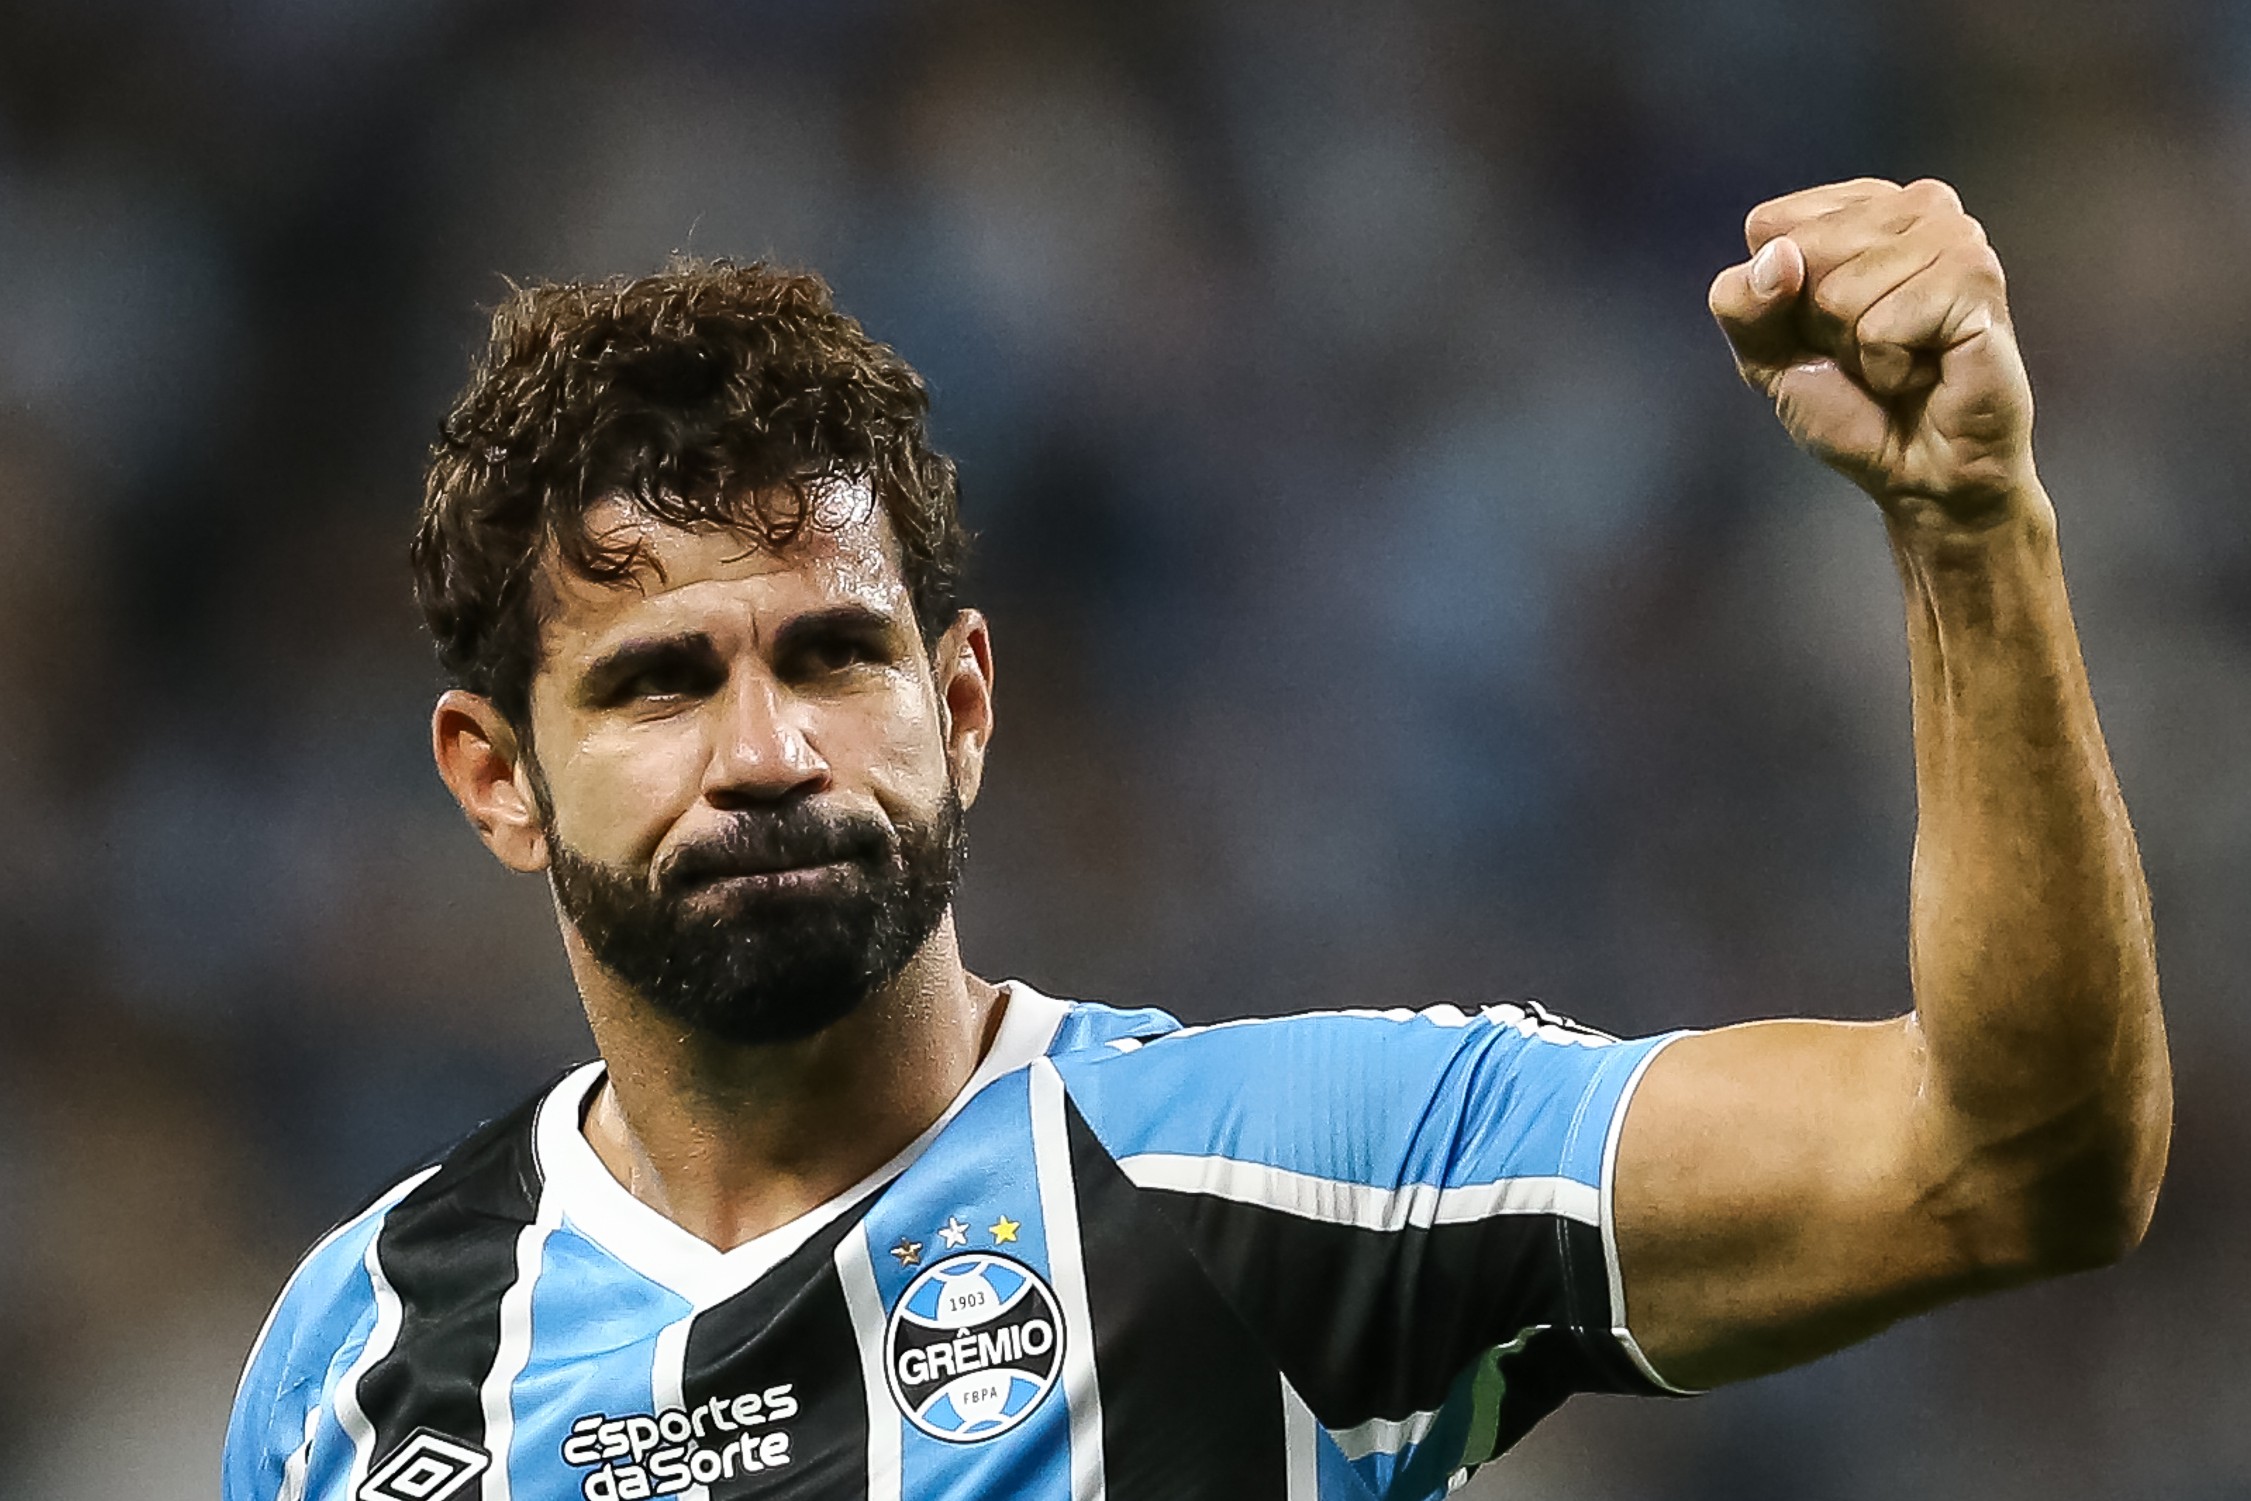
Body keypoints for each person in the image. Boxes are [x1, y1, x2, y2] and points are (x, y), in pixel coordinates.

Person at [223, 178, 2171, 1501]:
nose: (768, 749)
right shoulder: (360, 1354)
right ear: (495, 772)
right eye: (657, 684)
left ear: (963, 706)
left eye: (834, 652)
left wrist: (1971, 525)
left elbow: (2006, 1166)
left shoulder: (1259, 1182)